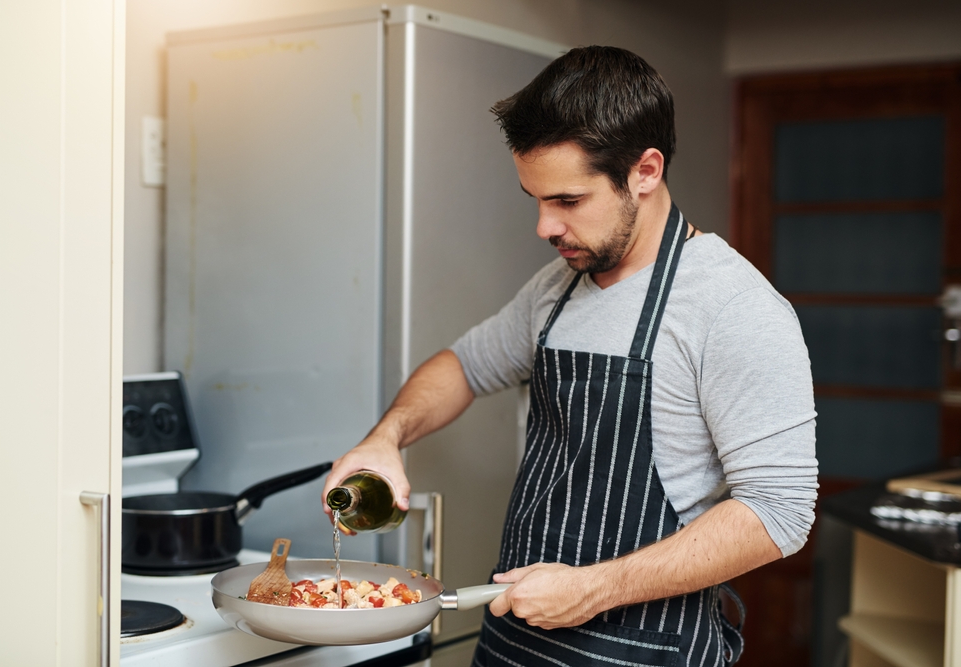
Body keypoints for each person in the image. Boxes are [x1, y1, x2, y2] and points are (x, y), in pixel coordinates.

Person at [323, 45, 817, 665]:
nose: (543, 227)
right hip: (517, 638)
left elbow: (779, 512)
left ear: (645, 171)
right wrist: (386, 438)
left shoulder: (735, 308)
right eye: (535, 198)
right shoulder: (556, 291)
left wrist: (593, 588)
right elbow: (464, 366)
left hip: (643, 648)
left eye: (567, 201)